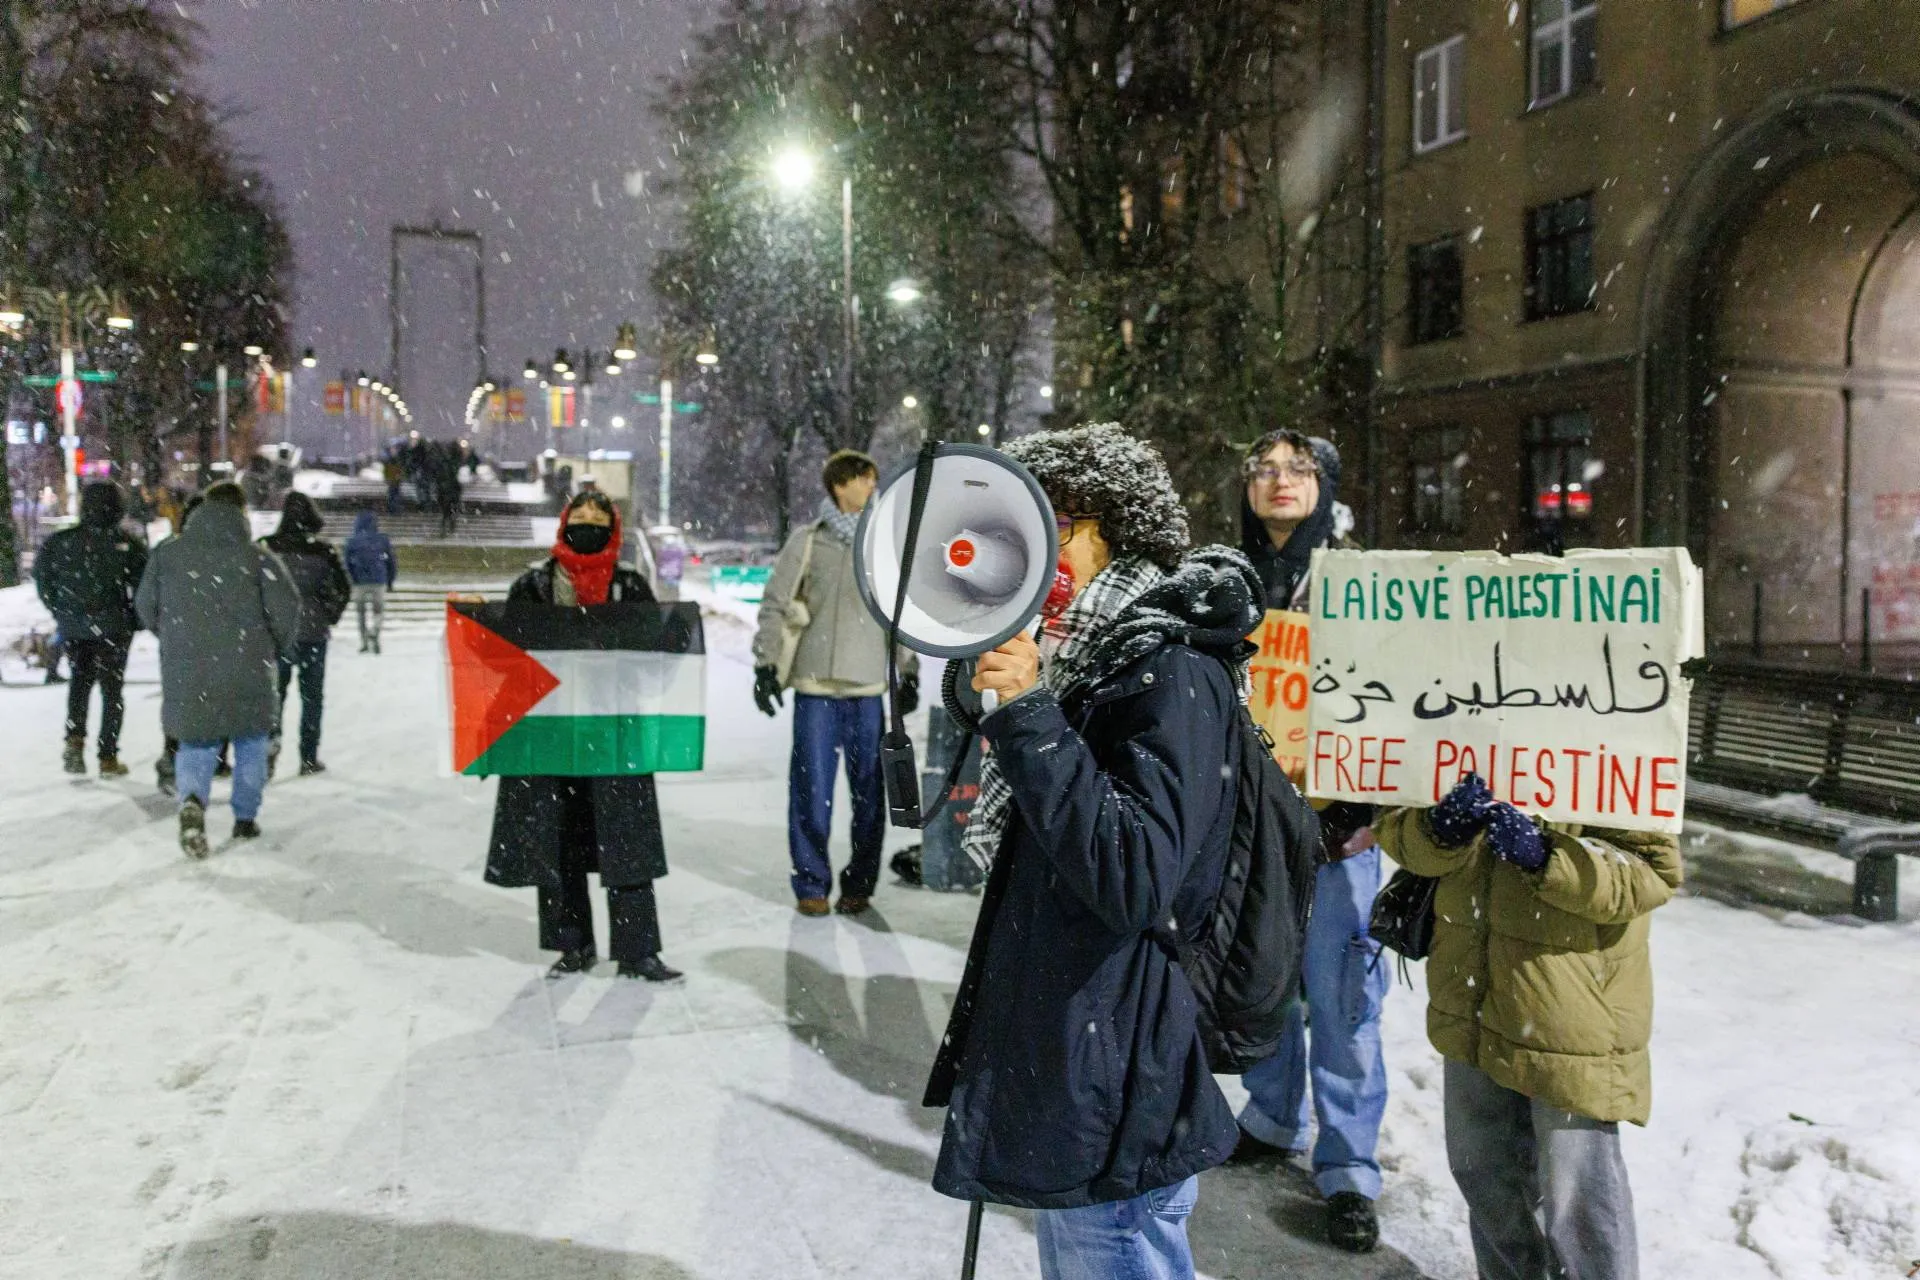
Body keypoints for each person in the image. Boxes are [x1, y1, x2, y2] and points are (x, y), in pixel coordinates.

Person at [926, 423, 1261, 1280]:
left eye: (1054, 530)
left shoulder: (1168, 668)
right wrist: (1000, 700)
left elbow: (1135, 873)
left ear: (1112, 526)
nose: (1035, 560)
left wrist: (1033, 711)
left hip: (1117, 1061)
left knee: (1112, 1249)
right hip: (1083, 1043)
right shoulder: (1093, 657)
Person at [1376, 776, 1682, 1280]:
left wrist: (1548, 856)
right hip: (1471, 993)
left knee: (1578, 1198)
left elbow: (1649, 873)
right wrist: (1437, 830)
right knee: (1485, 1176)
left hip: (1570, 1014)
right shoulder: (1450, 728)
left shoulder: (1614, 738)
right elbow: (1398, 834)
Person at [1227, 428, 1389, 1253]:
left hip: (1339, 836)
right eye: (1265, 469)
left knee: (1344, 1002)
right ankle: (1270, 1114)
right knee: (1265, 985)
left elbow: (1398, 699)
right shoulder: (1229, 580)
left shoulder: (1359, 580)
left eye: (1298, 469)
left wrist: (1357, 808)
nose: (1280, 481)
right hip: (1256, 832)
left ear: (1324, 485)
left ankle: (1351, 1170)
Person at [483, 491, 683, 982]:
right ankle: (572, 945)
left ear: (613, 529)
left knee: (627, 843)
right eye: (580, 515)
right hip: (551, 734)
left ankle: (638, 952)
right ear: (563, 522)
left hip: (615, 731)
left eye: (599, 517)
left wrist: (671, 637)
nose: (588, 521)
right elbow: (505, 659)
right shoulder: (532, 587)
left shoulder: (630, 586)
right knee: (558, 841)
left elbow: (652, 662)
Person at [750, 450, 918, 917]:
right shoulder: (808, 541)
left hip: (868, 691)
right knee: (809, 791)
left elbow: (902, 613)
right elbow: (775, 604)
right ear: (841, 485)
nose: (872, 486)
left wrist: (909, 672)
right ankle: (811, 883)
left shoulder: (886, 543)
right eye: (865, 479)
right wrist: (765, 665)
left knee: (870, 795)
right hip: (816, 690)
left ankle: (860, 883)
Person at [136, 481, 302, 857]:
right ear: (240, 513)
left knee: (195, 742)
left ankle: (192, 800)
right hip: (249, 666)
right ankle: (245, 817)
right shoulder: (258, 559)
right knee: (251, 742)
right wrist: (269, 646)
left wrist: (176, 635)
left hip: (188, 667)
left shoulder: (168, 555)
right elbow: (287, 611)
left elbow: (146, 607)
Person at [34, 481, 147, 776]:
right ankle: (107, 755)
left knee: (79, 684)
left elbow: (43, 578)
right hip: (114, 627)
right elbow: (144, 587)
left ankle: (74, 741)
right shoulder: (127, 544)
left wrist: (61, 610)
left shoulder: (61, 542)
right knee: (112, 692)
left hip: (75, 628)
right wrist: (134, 619)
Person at [261, 491, 350, 775]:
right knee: (312, 698)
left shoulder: (267, 548)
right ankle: (308, 756)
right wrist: (329, 614)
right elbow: (343, 588)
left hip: (278, 635)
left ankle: (269, 749)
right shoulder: (323, 552)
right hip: (314, 632)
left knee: (275, 696)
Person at [343, 511, 397, 654]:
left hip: (359, 581)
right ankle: (374, 632)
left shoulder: (352, 541)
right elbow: (391, 561)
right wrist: (390, 580)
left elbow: (347, 563)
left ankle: (364, 642)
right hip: (378, 580)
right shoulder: (382, 539)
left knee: (361, 614)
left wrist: (352, 577)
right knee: (378, 611)